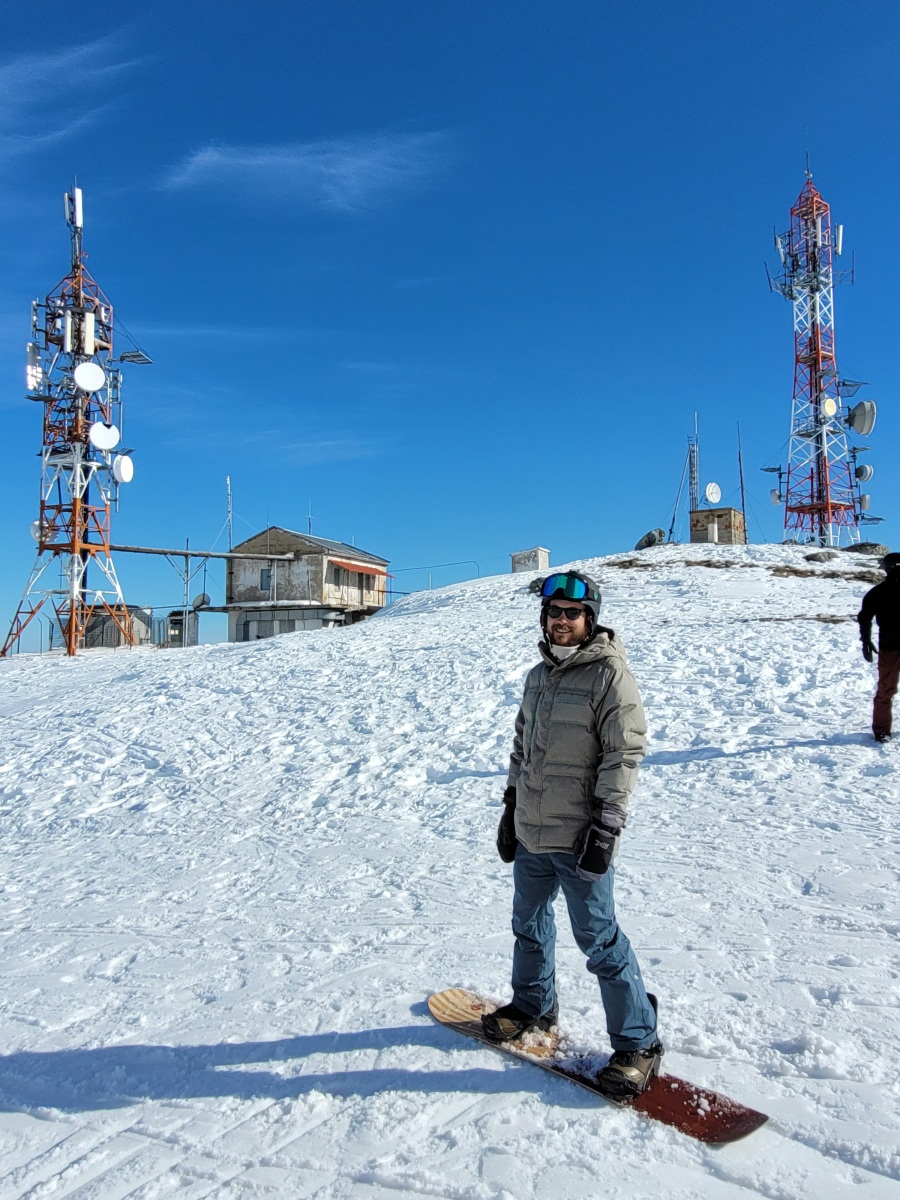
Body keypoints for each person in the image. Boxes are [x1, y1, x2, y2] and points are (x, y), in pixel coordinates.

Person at [484, 569, 662, 1099]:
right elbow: (522, 747)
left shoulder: (610, 675)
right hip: (532, 830)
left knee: (599, 940)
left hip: (581, 836)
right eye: (554, 612)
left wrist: (606, 827)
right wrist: (511, 807)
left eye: (573, 613)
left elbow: (623, 753)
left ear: (590, 619)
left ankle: (638, 1043)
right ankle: (533, 1006)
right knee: (528, 925)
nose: (562, 621)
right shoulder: (537, 676)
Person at [857, 552, 900, 744]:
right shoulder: (878, 592)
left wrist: (866, 640)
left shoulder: (877, 592)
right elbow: (865, 616)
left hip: (888, 647)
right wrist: (866, 639)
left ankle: (882, 731)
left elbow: (864, 617)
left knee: (885, 690)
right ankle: (882, 731)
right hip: (889, 647)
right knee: (885, 690)